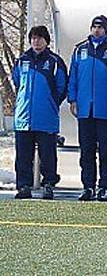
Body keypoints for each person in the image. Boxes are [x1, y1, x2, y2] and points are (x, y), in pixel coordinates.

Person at [68, 15, 107, 201]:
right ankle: (88, 186)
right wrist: (73, 99)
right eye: (94, 26)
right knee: (87, 150)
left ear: (106, 30)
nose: (97, 30)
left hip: (106, 108)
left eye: (100, 27)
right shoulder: (80, 49)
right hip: (85, 109)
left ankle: (104, 186)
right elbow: (73, 77)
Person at [12, 26, 67, 200]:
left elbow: (61, 87)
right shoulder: (23, 60)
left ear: (47, 41)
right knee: (23, 155)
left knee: (48, 154)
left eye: (40, 38)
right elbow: (17, 81)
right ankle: (23, 186)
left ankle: (49, 184)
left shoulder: (54, 62)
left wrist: (50, 103)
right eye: (33, 38)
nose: (36, 41)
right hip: (23, 118)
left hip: (46, 118)